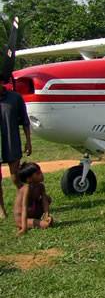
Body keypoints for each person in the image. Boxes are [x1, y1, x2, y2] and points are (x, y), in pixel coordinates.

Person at [0, 85, 32, 219]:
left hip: (11, 143)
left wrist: (28, 141)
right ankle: (1, 210)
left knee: (16, 178)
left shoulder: (15, 98)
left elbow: (25, 121)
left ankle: (26, 204)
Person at [14, 162, 53, 235]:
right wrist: (24, 228)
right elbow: (24, 208)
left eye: (40, 171)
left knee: (48, 199)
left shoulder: (40, 186)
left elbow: (44, 201)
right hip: (22, 218)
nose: (41, 174)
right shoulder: (26, 188)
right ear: (29, 179)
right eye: (38, 173)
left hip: (32, 213)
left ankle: (39, 220)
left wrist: (47, 215)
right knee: (46, 225)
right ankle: (24, 225)